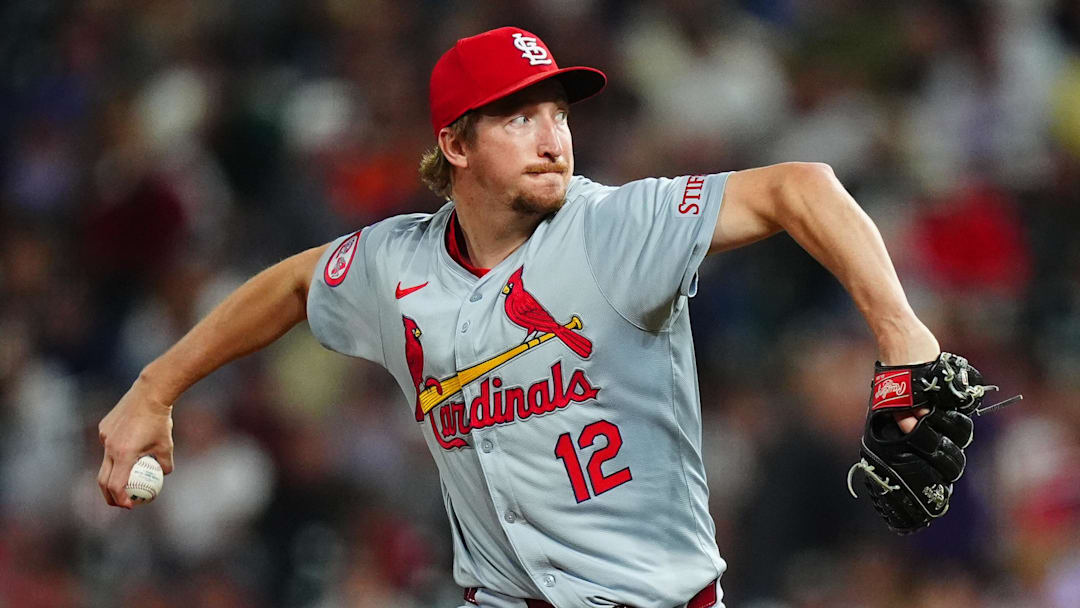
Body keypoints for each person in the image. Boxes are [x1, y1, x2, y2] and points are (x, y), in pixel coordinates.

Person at [98, 27, 941, 608]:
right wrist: (155, 386)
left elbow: (802, 186)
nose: (553, 138)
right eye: (519, 115)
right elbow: (290, 285)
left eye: (560, 112)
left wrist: (904, 336)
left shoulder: (614, 229)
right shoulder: (395, 264)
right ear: (455, 146)